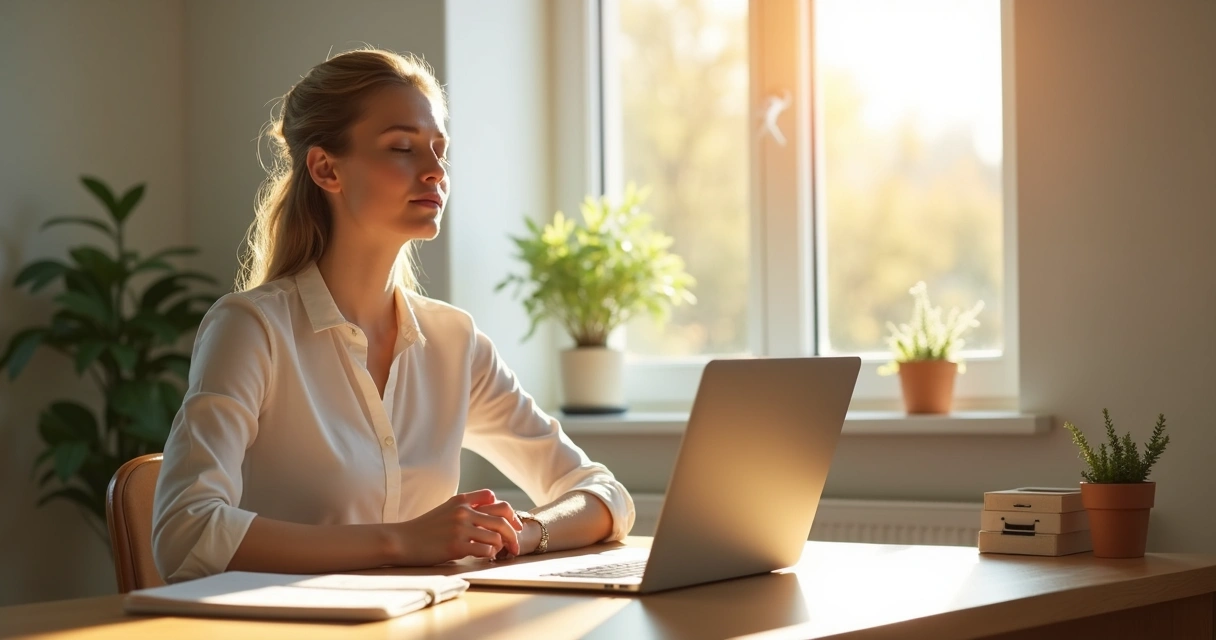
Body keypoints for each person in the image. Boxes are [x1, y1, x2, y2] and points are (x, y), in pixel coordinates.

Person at [151, 48, 635, 583]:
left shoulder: (454, 341)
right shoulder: (251, 328)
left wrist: (519, 533)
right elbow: (185, 533)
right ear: (325, 168)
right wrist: (402, 541)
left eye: (439, 151)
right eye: (402, 148)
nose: (434, 172)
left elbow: (602, 494)